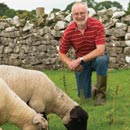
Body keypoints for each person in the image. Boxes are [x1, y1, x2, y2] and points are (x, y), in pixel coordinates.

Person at [58, 1, 109, 105]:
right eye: (76, 14)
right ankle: (94, 89)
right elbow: (61, 53)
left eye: (82, 13)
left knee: (102, 60)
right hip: (81, 64)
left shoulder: (97, 25)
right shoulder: (69, 31)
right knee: (84, 98)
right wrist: (70, 63)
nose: (80, 16)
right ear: (72, 15)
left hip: (96, 58)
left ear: (88, 13)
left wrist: (79, 59)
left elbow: (100, 50)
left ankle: (100, 95)